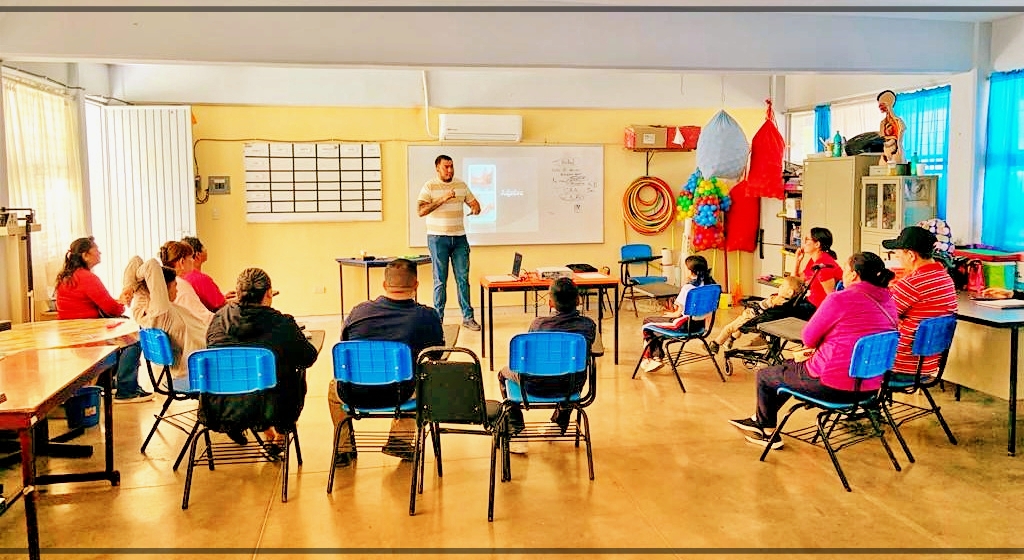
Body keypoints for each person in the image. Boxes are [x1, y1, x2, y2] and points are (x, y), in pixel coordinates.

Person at [729, 252, 899, 449]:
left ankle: (767, 432)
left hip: (833, 385)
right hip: (869, 388)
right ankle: (759, 420)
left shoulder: (840, 299)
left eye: (845, 270)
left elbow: (808, 338)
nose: (842, 275)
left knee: (766, 376)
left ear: (853, 275)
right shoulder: (888, 301)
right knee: (788, 368)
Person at [330, 258, 445, 462]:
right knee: (424, 376)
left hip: (354, 392)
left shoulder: (359, 311)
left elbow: (345, 346)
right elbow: (435, 355)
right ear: (416, 285)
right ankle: (399, 440)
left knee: (333, 388)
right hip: (401, 394)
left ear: (384, 285)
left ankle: (343, 448)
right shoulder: (427, 316)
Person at [206, 268, 318, 451]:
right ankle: (281, 432)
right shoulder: (282, 324)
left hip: (222, 405)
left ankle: (267, 432)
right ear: (268, 293)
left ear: (237, 293)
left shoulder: (218, 319)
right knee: (294, 373)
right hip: (271, 407)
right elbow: (308, 357)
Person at [497, 277, 600, 452]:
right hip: (570, 388)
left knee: (502, 373)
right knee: (574, 370)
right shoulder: (588, 325)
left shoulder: (538, 324)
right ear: (578, 300)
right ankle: (559, 423)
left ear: (551, 302)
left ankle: (517, 431)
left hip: (532, 386)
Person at [54, 237, 152, 403]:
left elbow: (98, 304)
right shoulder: (86, 277)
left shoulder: (66, 277)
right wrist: (121, 302)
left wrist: (118, 302)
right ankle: (127, 390)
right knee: (134, 337)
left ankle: (108, 383)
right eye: (96, 249)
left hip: (72, 331)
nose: (99, 252)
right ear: (85, 255)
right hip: (87, 332)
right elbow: (112, 309)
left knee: (122, 331)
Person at [416, 154, 482, 331]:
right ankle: (438, 320)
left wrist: (475, 209)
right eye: (446, 167)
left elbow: (475, 204)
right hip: (437, 238)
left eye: (452, 166)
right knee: (440, 280)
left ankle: (468, 318)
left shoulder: (461, 185)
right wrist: (442, 199)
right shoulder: (429, 186)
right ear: (437, 167)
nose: (450, 170)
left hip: (459, 238)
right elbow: (421, 211)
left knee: (463, 279)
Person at [882, 226, 958, 379]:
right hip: (928, 363)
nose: (898, 259)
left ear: (910, 255)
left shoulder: (911, 284)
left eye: (898, 255)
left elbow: (882, 318)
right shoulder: (945, 279)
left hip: (900, 365)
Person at [123, 256, 207, 379]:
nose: (177, 290)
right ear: (162, 288)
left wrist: (128, 288)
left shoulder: (142, 310)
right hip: (200, 363)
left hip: (198, 358)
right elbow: (151, 264)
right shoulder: (160, 310)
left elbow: (135, 260)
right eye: (175, 286)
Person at [638, 255, 716, 373]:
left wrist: (668, 315)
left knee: (648, 323)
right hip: (700, 326)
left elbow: (677, 313)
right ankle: (655, 357)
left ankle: (653, 358)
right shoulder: (711, 286)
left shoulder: (688, 288)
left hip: (683, 326)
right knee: (657, 328)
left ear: (691, 271)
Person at [708, 275, 805, 355]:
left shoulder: (775, 301)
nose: (780, 287)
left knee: (729, 328)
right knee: (738, 329)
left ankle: (716, 344)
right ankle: (731, 339)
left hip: (751, 316)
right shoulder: (788, 303)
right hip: (758, 316)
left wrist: (754, 304)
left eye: (783, 286)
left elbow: (761, 306)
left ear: (790, 292)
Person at [158, 241, 214, 325]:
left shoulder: (164, 283)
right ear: (182, 262)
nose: (193, 260)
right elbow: (204, 318)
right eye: (191, 257)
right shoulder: (180, 285)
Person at [793, 227, 842, 309]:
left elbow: (832, 298)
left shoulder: (824, 266)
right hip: (810, 302)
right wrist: (797, 261)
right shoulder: (813, 260)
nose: (804, 243)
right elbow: (796, 281)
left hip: (819, 307)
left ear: (817, 244)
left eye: (806, 240)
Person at [181, 236, 232, 312]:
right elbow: (222, 305)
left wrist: (223, 297)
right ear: (198, 255)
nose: (206, 249)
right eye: (203, 247)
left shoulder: (182, 277)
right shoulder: (201, 279)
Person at [877, 89, 907, 165]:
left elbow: (902, 129)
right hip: (886, 152)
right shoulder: (883, 122)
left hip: (896, 151)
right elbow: (881, 137)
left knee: (895, 169)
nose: (880, 106)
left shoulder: (898, 121)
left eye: (882, 103)